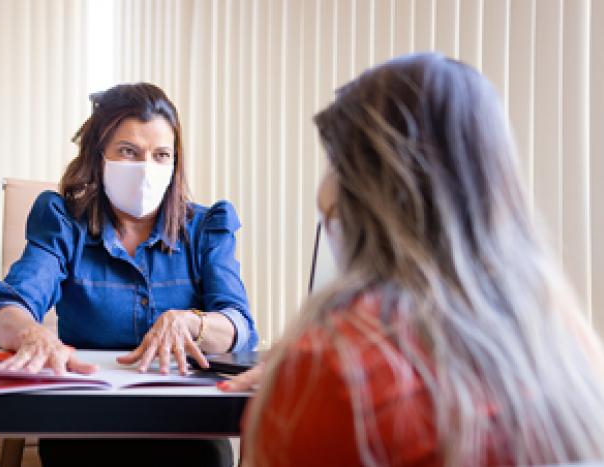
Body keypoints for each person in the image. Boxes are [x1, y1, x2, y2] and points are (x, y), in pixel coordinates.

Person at [220, 53, 604, 466]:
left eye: (333, 165)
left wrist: (293, 386)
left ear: (364, 189)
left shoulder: (333, 371)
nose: (323, 193)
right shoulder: (570, 353)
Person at [0, 82, 257, 466]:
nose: (146, 168)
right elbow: (10, 305)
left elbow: (239, 325)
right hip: (87, 425)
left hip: (186, 429)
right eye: (129, 152)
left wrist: (191, 323)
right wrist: (31, 334)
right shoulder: (63, 221)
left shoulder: (206, 227)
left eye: (161, 155)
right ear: (99, 157)